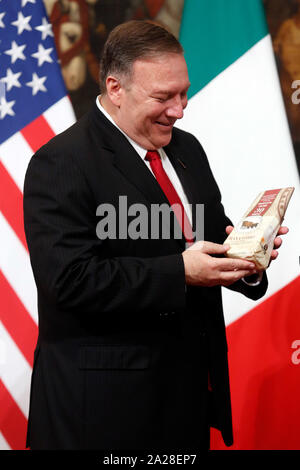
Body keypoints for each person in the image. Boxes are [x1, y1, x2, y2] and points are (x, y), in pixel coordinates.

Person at [23, 20, 287, 451]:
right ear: (115, 88)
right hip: (104, 415)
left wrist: (247, 260)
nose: (179, 109)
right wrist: (181, 271)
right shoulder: (61, 162)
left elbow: (210, 238)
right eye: (163, 97)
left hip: (185, 403)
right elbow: (69, 281)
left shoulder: (187, 150)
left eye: (183, 92)